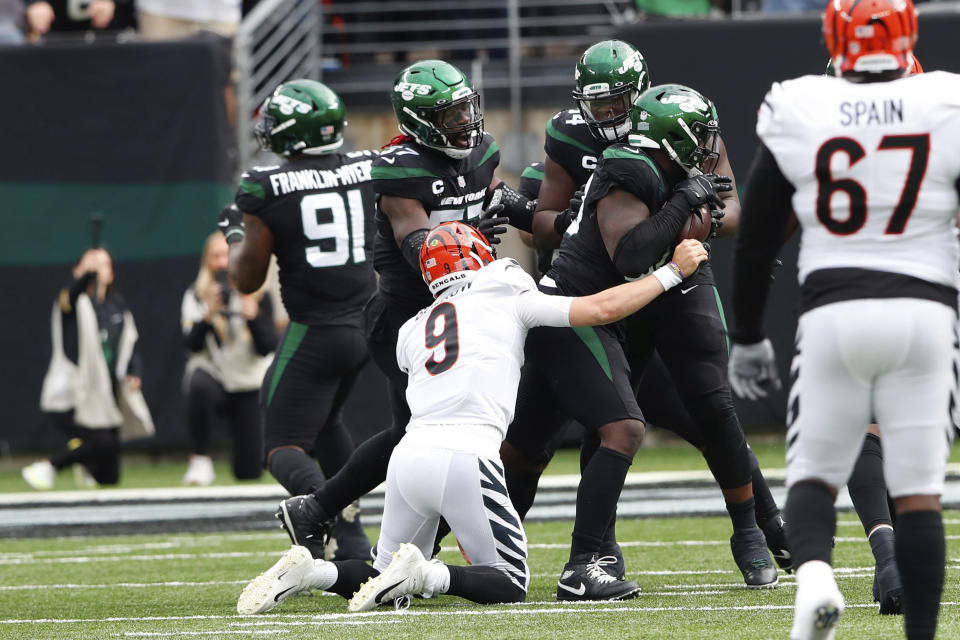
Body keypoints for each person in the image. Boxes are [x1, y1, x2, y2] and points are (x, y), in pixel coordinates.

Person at [236, 221, 710, 614]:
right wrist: (672, 271)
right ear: (481, 255)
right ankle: (428, 574)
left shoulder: (414, 327)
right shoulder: (505, 289)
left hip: (407, 458)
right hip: (466, 456)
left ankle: (313, 572)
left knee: (381, 579)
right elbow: (602, 308)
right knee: (509, 582)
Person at [503, 38, 787, 592]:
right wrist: (601, 217)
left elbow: (728, 213)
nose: (606, 115)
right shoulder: (604, 152)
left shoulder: (678, 120)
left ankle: (758, 528)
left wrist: (682, 218)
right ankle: (584, 552)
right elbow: (556, 225)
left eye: (616, 103)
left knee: (707, 402)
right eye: (597, 104)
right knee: (593, 423)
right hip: (609, 287)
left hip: (670, 278)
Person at [728, 0, 958, 636]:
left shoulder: (804, 104)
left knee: (812, 472)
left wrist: (746, 335)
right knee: (918, 495)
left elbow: (756, 236)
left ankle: (818, 581)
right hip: (924, 310)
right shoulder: (945, 100)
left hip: (837, 308)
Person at [272, 60, 535, 558]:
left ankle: (319, 511)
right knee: (423, 434)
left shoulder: (482, 149)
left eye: (465, 108)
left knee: (412, 435)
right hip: (409, 318)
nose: (465, 122)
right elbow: (414, 239)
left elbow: (491, 193)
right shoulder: (400, 166)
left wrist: (544, 217)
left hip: (464, 311)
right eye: (449, 114)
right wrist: (465, 241)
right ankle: (404, 543)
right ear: (418, 121)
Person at [220, 78, 378, 561]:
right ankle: (351, 542)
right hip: (368, 324)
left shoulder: (266, 185)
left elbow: (246, 281)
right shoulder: (368, 167)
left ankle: (316, 512)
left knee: (282, 444)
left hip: (317, 329)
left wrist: (233, 235)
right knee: (327, 423)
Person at [25, 247, 153, 490]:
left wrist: (134, 371)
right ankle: (49, 467)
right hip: (73, 394)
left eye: (103, 264)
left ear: (112, 274)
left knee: (109, 476)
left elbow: (129, 346)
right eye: (90, 263)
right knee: (102, 443)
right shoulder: (70, 301)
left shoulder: (117, 307)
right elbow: (69, 297)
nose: (97, 268)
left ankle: (81, 458)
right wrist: (86, 277)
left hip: (106, 396)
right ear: (77, 271)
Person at [180, 231, 277, 486]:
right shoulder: (196, 295)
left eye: (226, 255)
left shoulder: (258, 293)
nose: (222, 263)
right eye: (215, 256)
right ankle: (199, 458)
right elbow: (191, 345)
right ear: (207, 261)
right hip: (216, 377)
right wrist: (208, 314)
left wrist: (254, 318)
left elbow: (267, 347)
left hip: (247, 382)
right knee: (197, 383)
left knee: (249, 471)